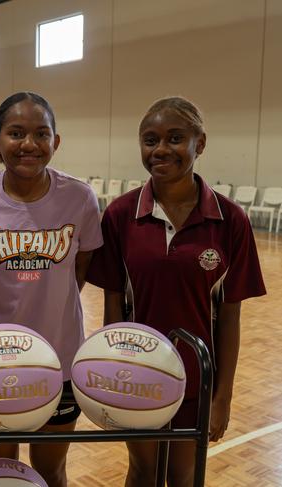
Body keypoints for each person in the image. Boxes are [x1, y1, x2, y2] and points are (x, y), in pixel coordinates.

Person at [86, 96, 266, 487]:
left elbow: (230, 317)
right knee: (144, 471)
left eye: (175, 138)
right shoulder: (120, 215)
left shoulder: (230, 219)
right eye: (150, 140)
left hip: (196, 381)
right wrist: (108, 380)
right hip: (135, 377)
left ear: (199, 144)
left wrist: (222, 398)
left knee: (184, 476)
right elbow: (113, 306)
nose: (160, 150)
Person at [0, 92, 103, 486]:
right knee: (1, 471)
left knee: (51, 470)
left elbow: (80, 269)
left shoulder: (80, 198)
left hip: (61, 359)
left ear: (56, 141)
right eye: (16, 133)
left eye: (41, 133)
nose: (29, 144)